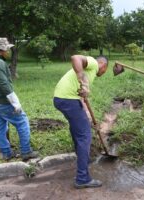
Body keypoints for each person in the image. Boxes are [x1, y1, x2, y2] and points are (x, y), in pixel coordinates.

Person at [53, 55, 108, 189]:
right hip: (68, 100)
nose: (103, 73)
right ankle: (82, 178)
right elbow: (75, 58)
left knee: (78, 130)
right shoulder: (94, 64)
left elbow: (82, 99)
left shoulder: (90, 73)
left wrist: (88, 118)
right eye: (105, 71)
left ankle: (82, 159)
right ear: (103, 65)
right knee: (85, 136)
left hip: (63, 99)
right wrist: (82, 79)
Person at [0, 38, 38, 161]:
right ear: (2, 50)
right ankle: (26, 151)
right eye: (7, 49)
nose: (8, 51)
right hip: (3, 102)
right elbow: (4, 84)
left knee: (1, 126)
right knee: (22, 122)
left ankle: (6, 153)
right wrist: (15, 102)